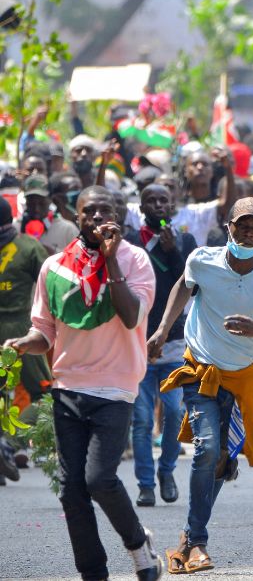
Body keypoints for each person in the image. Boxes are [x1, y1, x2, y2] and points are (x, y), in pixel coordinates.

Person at [5, 186, 162, 580]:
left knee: (99, 479)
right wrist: (25, 344)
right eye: (88, 212)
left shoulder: (136, 260)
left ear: (118, 215)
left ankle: (138, 545)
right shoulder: (54, 268)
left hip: (115, 387)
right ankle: (93, 573)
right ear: (77, 217)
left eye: (103, 211)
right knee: (71, 490)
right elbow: (45, 331)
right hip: (68, 387)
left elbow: (130, 317)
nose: (95, 218)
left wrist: (110, 262)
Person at [150, 197, 253, 574]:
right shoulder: (202, 259)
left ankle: (191, 534)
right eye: (242, 225)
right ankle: (197, 539)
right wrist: (162, 330)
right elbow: (182, 288)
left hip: (242, 376)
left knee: (220, 457)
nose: (249, 231)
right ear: (229, 227)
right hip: (201, 369)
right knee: (207, 448)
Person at [128, 184, 196, 508]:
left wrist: (174, 252)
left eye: (163, 200)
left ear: (172, 206)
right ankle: (144, 484)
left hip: (173, 340)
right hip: (137, 342)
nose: (157, 205)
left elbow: (192, 284)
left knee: (174, 411)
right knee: (141, 418)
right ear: (141, 208)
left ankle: (166, 471)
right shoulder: (130, 242)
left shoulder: (185, 241)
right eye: (150, 201)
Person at [0, 196, 48, 485]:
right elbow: (50, 284)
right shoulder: (29, 246)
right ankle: (9, 444)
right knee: (45, 394)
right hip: (20, 330)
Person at [22, 174, 79, 254]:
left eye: (42, 203)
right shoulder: (16, 229)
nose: (36, 209)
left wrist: (54, 254)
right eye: (31, 204)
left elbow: (79, 260)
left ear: (50, 200)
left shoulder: (67, 229)